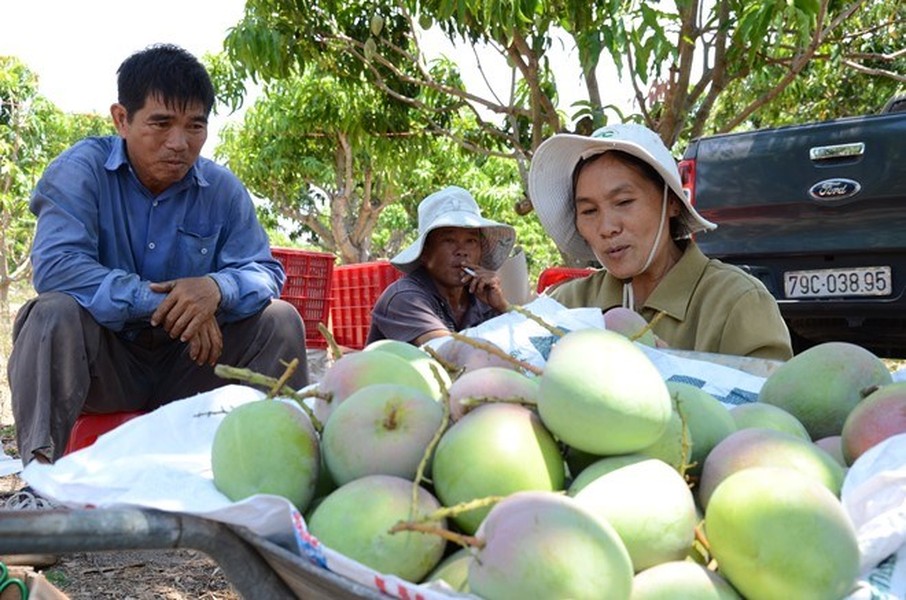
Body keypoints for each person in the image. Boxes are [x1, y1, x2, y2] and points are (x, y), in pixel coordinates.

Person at [7, 44, 308, 466]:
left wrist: (216, 289)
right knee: (50, 313)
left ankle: (275, 472)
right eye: (161, 123)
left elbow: (264, 270)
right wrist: (174, 303)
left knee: (280, 320)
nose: (179, 143)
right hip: (107, 367)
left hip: (194, 363)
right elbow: (59, 267)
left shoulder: (222, 189)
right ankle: (40, 476)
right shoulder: (80, 171)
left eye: (195, 126)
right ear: (121, 119)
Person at [528, 123, 793, 361]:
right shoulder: (566, 305)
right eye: (589, 211)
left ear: (672, 203)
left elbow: (771, 407)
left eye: (624, 202)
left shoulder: (737, 303)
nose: (607, 228)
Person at [366, 186, 517, 346]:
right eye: (449, 241)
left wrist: (502, 306)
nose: (462, 252)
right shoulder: (405, 298)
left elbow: (523, 346)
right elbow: (450, 352)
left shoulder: (481, 296)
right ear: (424, 252)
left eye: (471, 241)